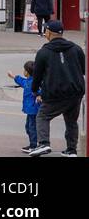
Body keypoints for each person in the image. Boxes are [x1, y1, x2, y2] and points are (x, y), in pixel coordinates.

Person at [28, 19, 86, 157]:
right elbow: (84, 69)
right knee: (71, 121)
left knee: (43, 116)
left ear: (48, 32)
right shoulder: (76, 49)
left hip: (55, 93)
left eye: (45, 30)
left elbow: (37, 75)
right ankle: (71, 150)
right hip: (75, 93)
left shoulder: (43, 52)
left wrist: (35, 90)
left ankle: (44, 143)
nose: (45, 33)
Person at [7, 61, 41, 153]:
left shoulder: (34, 82)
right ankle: (34, 144)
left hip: (33, 109)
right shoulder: (28, 81)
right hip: (30, 110)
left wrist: (39, 96)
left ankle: (34, 146)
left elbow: (41, 90)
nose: (23, 71)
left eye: (24, 70)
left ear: (27, 72)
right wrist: (13, 76)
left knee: (32, 128)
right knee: (28, 127)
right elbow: (21, 81)